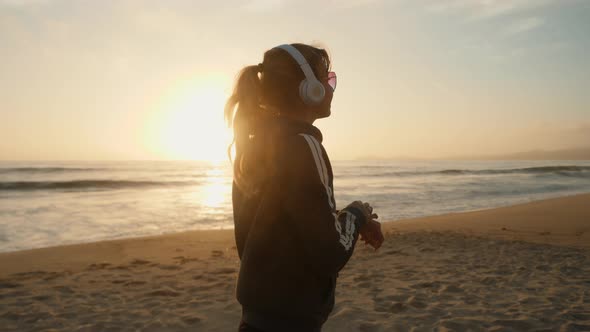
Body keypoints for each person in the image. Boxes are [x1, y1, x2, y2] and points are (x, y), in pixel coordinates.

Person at [224, 43, 385, 332]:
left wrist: (343, 217)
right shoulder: (304, 145)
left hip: (254, 320)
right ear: (309, 88)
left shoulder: (254, 146)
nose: (332, 87)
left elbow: (280, 224)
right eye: (328, 79)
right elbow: (330, 251)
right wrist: (357, 214)